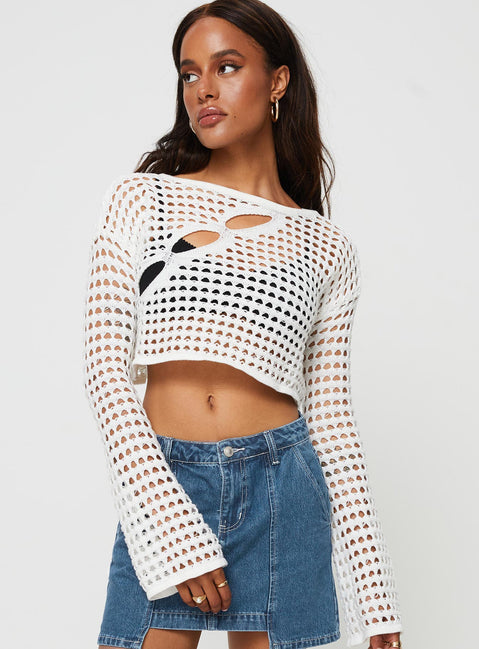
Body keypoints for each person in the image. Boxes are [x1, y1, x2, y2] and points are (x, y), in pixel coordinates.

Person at [83, 1, 404, 648]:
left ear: (277, 81)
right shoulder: (141, 198)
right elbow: (104, 374)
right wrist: (171, 525)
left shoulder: (326, 246)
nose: (203, 88)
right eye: (189, 73)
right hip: (167, 477)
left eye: (226, 67)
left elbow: (331, 423)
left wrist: (375, 598)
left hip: (283, 487)